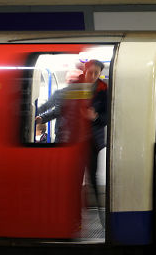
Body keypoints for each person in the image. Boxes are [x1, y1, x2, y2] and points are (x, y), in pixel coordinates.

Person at [35, 59, 109, 211]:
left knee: (92, 179)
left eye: (97, 73)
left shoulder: (104, 92)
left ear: (100, 74)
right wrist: (41, 118)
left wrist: (94, 117)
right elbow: (60, 109)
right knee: (74, 178)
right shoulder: (74, 89)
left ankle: (101, 216)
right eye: (91, 72)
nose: (93, 75)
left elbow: (107, 117)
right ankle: (74, 212)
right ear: (85, 71)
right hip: (74, 140)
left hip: (92, 142)